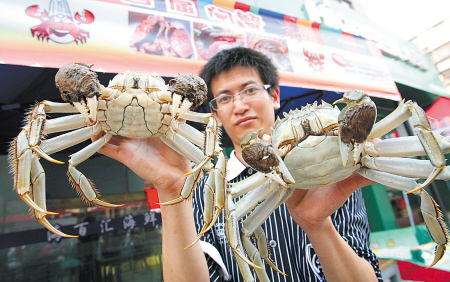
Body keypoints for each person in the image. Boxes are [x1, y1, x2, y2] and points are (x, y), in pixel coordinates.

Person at [97, 47, 382, 281]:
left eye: (249, 90)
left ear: (274, 96)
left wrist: (317, 226)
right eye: (225, 98)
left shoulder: (334, 167)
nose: (239, 105)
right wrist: (172, 190)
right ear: (215, 114)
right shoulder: (206, 188)